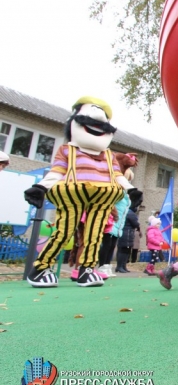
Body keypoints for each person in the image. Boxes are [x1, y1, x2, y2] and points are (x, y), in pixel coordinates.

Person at [22, 97, 143, 288]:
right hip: (73, 195)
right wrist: (40, 187)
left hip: (102, 198)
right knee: (64, 232)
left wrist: (132, 190)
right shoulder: (68, 151)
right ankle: (41, 268)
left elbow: (117, 175)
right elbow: (57, 171)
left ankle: (87, 269)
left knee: (94, 235)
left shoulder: (109, 156)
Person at [116, 205, 140, 273]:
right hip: (127, 233)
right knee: (124, 251)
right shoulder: (130, 213)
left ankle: (122, 266)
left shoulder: (124, 211)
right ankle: (120, 266)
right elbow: (136, 224)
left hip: (124, 233)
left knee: (123, 251)